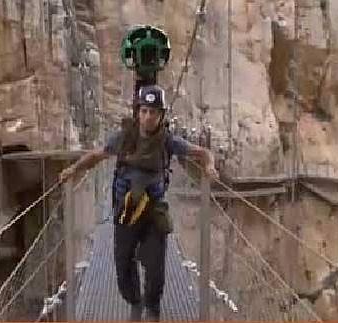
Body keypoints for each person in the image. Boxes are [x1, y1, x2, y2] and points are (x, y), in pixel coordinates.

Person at [59, 85, 218, 321]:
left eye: (153, 112)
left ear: (161, 115)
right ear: (137, 112)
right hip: (126, 211)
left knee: (156, 268)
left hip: (154, 211)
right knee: (122, 265)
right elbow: (97, 155)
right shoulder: (125, 137)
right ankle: (135, 301)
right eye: (144, 111)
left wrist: (210, 166)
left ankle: (152, 309)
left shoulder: (168, 141)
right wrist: (73, 169)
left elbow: (202, 153)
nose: (148, 117)